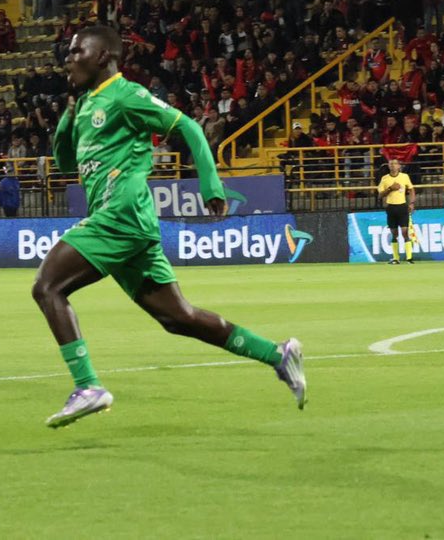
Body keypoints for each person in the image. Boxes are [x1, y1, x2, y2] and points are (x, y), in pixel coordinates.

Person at [32, 25, 306, 428]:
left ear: (105, 54)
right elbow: (68, 166)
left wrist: (210, 182)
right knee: (178, 318)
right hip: (128, 226)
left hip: (119, 216)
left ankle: (88, 386)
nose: (69, 58)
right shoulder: (88, 103)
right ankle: (277, 353)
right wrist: (63, 128)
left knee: (47, 287)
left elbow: (189, 128)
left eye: (77, 51)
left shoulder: (126, 95)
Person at [377, 158, 416, 264]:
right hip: (391, 207)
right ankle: (396, 258)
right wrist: (390, 188)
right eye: (391, 164)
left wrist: (412, 203)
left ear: (399, 166)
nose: (393, 165)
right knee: (394, 234)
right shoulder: (385, 179)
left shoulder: (404, 177)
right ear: (388, 166)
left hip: (402, 207)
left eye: (395, 164)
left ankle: (409, 258)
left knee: (405, 232)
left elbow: (411, 189)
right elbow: (380, 195)